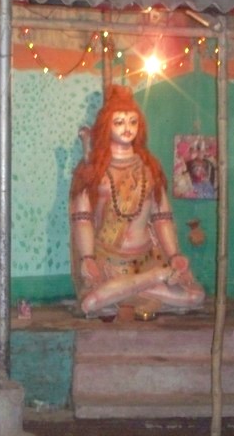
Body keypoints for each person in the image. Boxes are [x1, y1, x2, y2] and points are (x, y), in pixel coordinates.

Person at [69, 85, 205, 318]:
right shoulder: (92, 169)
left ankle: (128, 289)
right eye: (119, 122)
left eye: (133, 122)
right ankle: (152, 280)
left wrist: (174, 256)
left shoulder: (149, 166)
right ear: (106, 126)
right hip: (108, 263)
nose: (127, 128)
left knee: (195, 296)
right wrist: (87, 258)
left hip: (148, 258)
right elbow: (83, 219)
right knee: (90, 303)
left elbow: (162, 218)